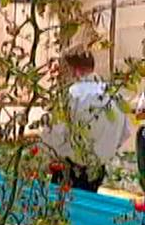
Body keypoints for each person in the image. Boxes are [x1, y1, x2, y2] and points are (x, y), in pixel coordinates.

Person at [42, 51, 131, 192]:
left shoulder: (71, 94)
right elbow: (126, 132)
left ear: (75, 71)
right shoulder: (115, 95)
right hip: (96, 170)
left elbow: (55, 134)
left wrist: (50, 154)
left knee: (62, 209)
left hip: (70, 169)